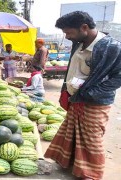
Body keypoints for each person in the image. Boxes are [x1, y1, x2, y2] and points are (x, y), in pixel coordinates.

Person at [44, 11, 121, 180]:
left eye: (69, 32)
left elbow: (118, 76)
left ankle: (91, 174)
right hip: (76, 98)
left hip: (95, 102)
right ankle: (72, 163)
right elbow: (73, 70)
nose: (67, 36)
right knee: (72, 132)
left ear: (84, 28)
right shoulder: (78, 43)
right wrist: (65, 90)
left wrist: (92, 93)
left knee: (91, 139)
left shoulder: (111, 46)